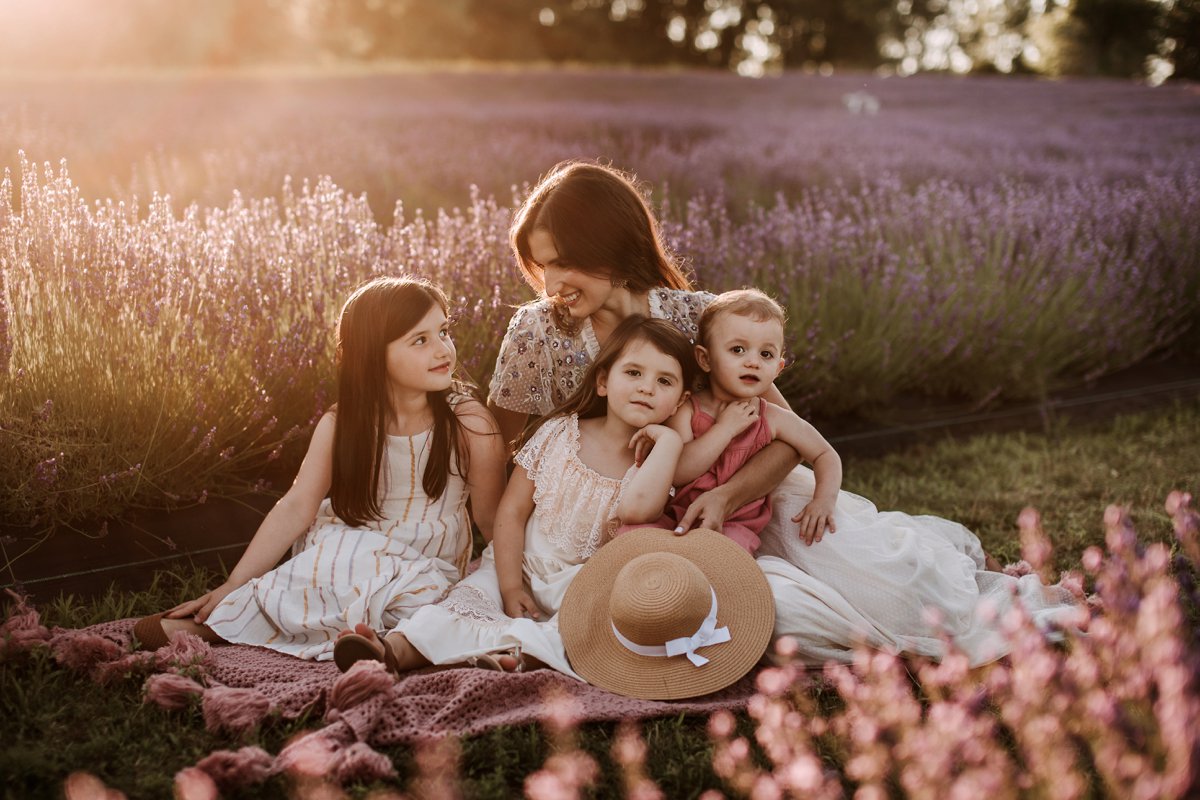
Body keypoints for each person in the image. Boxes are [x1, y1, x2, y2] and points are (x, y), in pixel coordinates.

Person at [132, 277, 508, 660]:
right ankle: (226, 617)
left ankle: (375, 644)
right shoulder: (344, 423)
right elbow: (298, 504)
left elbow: (493, 520)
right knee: (320, 571)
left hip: (428, 562)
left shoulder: (470, 423)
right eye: (420, 340)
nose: (443, 349)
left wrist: (513, 584)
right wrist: (234, 583)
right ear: (373, 355)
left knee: (419, 604)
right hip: (351, 546)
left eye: (444, 331)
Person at [332, 315, 695, 676]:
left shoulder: (655, 464)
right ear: (603, 381)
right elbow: (512, 511)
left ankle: (516, 657)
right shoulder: (560, 433)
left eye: (665, 381)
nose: (647, 387)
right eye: (633, 373)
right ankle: (394, 649)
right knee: (467, 600)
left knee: (581, 626)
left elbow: (642, 509)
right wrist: (507, 585)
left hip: (583, 583)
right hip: (518, 563)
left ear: (680, 401)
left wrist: (670, 439)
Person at [487, 159, 800, 536]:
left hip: (715, 510)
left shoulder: (696, 317)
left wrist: (726, 497)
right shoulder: (536, 330)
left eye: (563, 263)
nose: (550, 286)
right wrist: (498, 547)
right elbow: (494, 449)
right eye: (542, 266)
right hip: (585, 522)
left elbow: (788, 436)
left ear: (610, 248)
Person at [648, 289, 843, 554]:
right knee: (640, 540)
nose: (752, 362)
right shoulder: (688, 410)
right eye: (738, 350)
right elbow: (679, 471)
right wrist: (724, 429)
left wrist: (823, 500)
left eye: (766, 355)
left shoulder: (772, 417)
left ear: (778, 368)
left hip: (736, 523)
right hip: (678, 515)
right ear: (705, 359)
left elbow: (825, 454)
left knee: (719, 557)